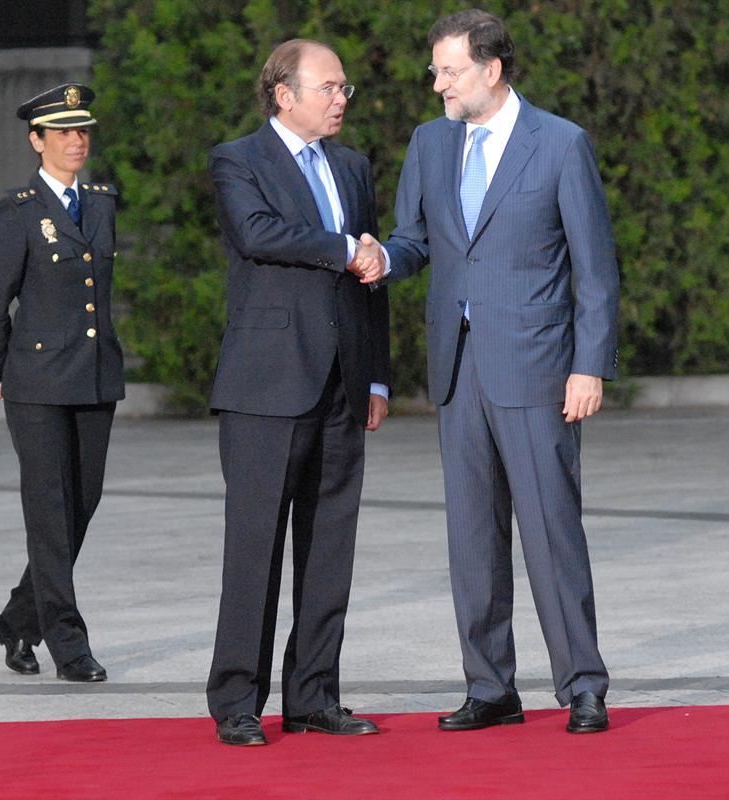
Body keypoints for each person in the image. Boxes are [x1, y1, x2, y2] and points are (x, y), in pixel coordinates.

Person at [357, 9, 619, 733]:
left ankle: (583, 684)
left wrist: (588, 365)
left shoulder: (561, 145)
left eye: (449, 69)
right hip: (457, 367)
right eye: (435, 68)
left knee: (550, 529)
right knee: (471, 537)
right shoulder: (429, 144)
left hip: (538, 367)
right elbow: (417, 239)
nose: (435, 81)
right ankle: (490, 687)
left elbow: (596, 271)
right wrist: (385, 256)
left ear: (492, 70)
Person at [205, 39, 392, 747]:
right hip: (266, 384)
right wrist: (346, 247)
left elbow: (369, 285)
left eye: (345, 88)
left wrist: (376, 375)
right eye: (329, 87)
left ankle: (314, 695)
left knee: (329, 547)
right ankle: (236, 702)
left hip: (343, 382)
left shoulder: (352, 167)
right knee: (255, 547)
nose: (341, 98)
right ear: (283, 94)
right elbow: (257, 234)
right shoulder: (239, 159)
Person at [0, 83, 123, 683]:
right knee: (48, 511)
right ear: (37, 141)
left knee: (80, 506)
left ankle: (16, 619)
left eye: (82, 130)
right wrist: (2, 368)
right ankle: (69, 644)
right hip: (35, 383)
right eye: (62, 132)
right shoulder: (18, 210)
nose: (76, 141)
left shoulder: (104, 201)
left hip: (93, 378)